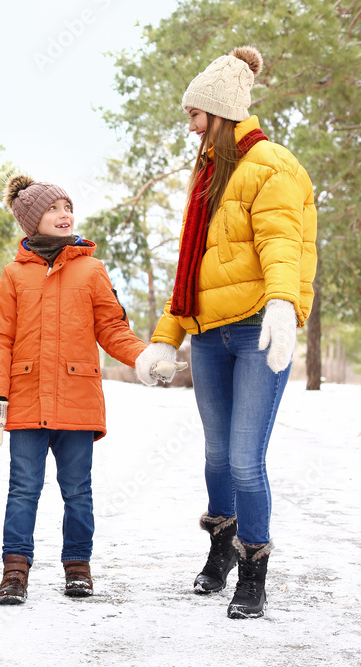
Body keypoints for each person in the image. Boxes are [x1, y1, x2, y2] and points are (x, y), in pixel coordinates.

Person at [134, 46, 317, 619]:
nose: (189, 125)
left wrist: (284, 306)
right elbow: (193, 268)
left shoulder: (273, 166)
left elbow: (282, 244)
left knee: (244, 459)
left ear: (220, 113)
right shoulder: (208, 174)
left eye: (195, 114)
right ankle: (221, 554)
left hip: (262, 331)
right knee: (216, 458)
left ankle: (254, 571)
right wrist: (167, 337)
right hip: (210, 336)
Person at [0, 175, 175, 605]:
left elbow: (111, 327)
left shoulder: (92, 269)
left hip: (77, 400)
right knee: (23, 488)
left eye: (67, 206)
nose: (64, 214)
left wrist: (145, 357)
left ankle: (78, 567)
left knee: (78, 490)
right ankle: (15, 571)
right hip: (27, 400)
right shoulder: (13, 275)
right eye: (53, 208)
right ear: (32, 221)